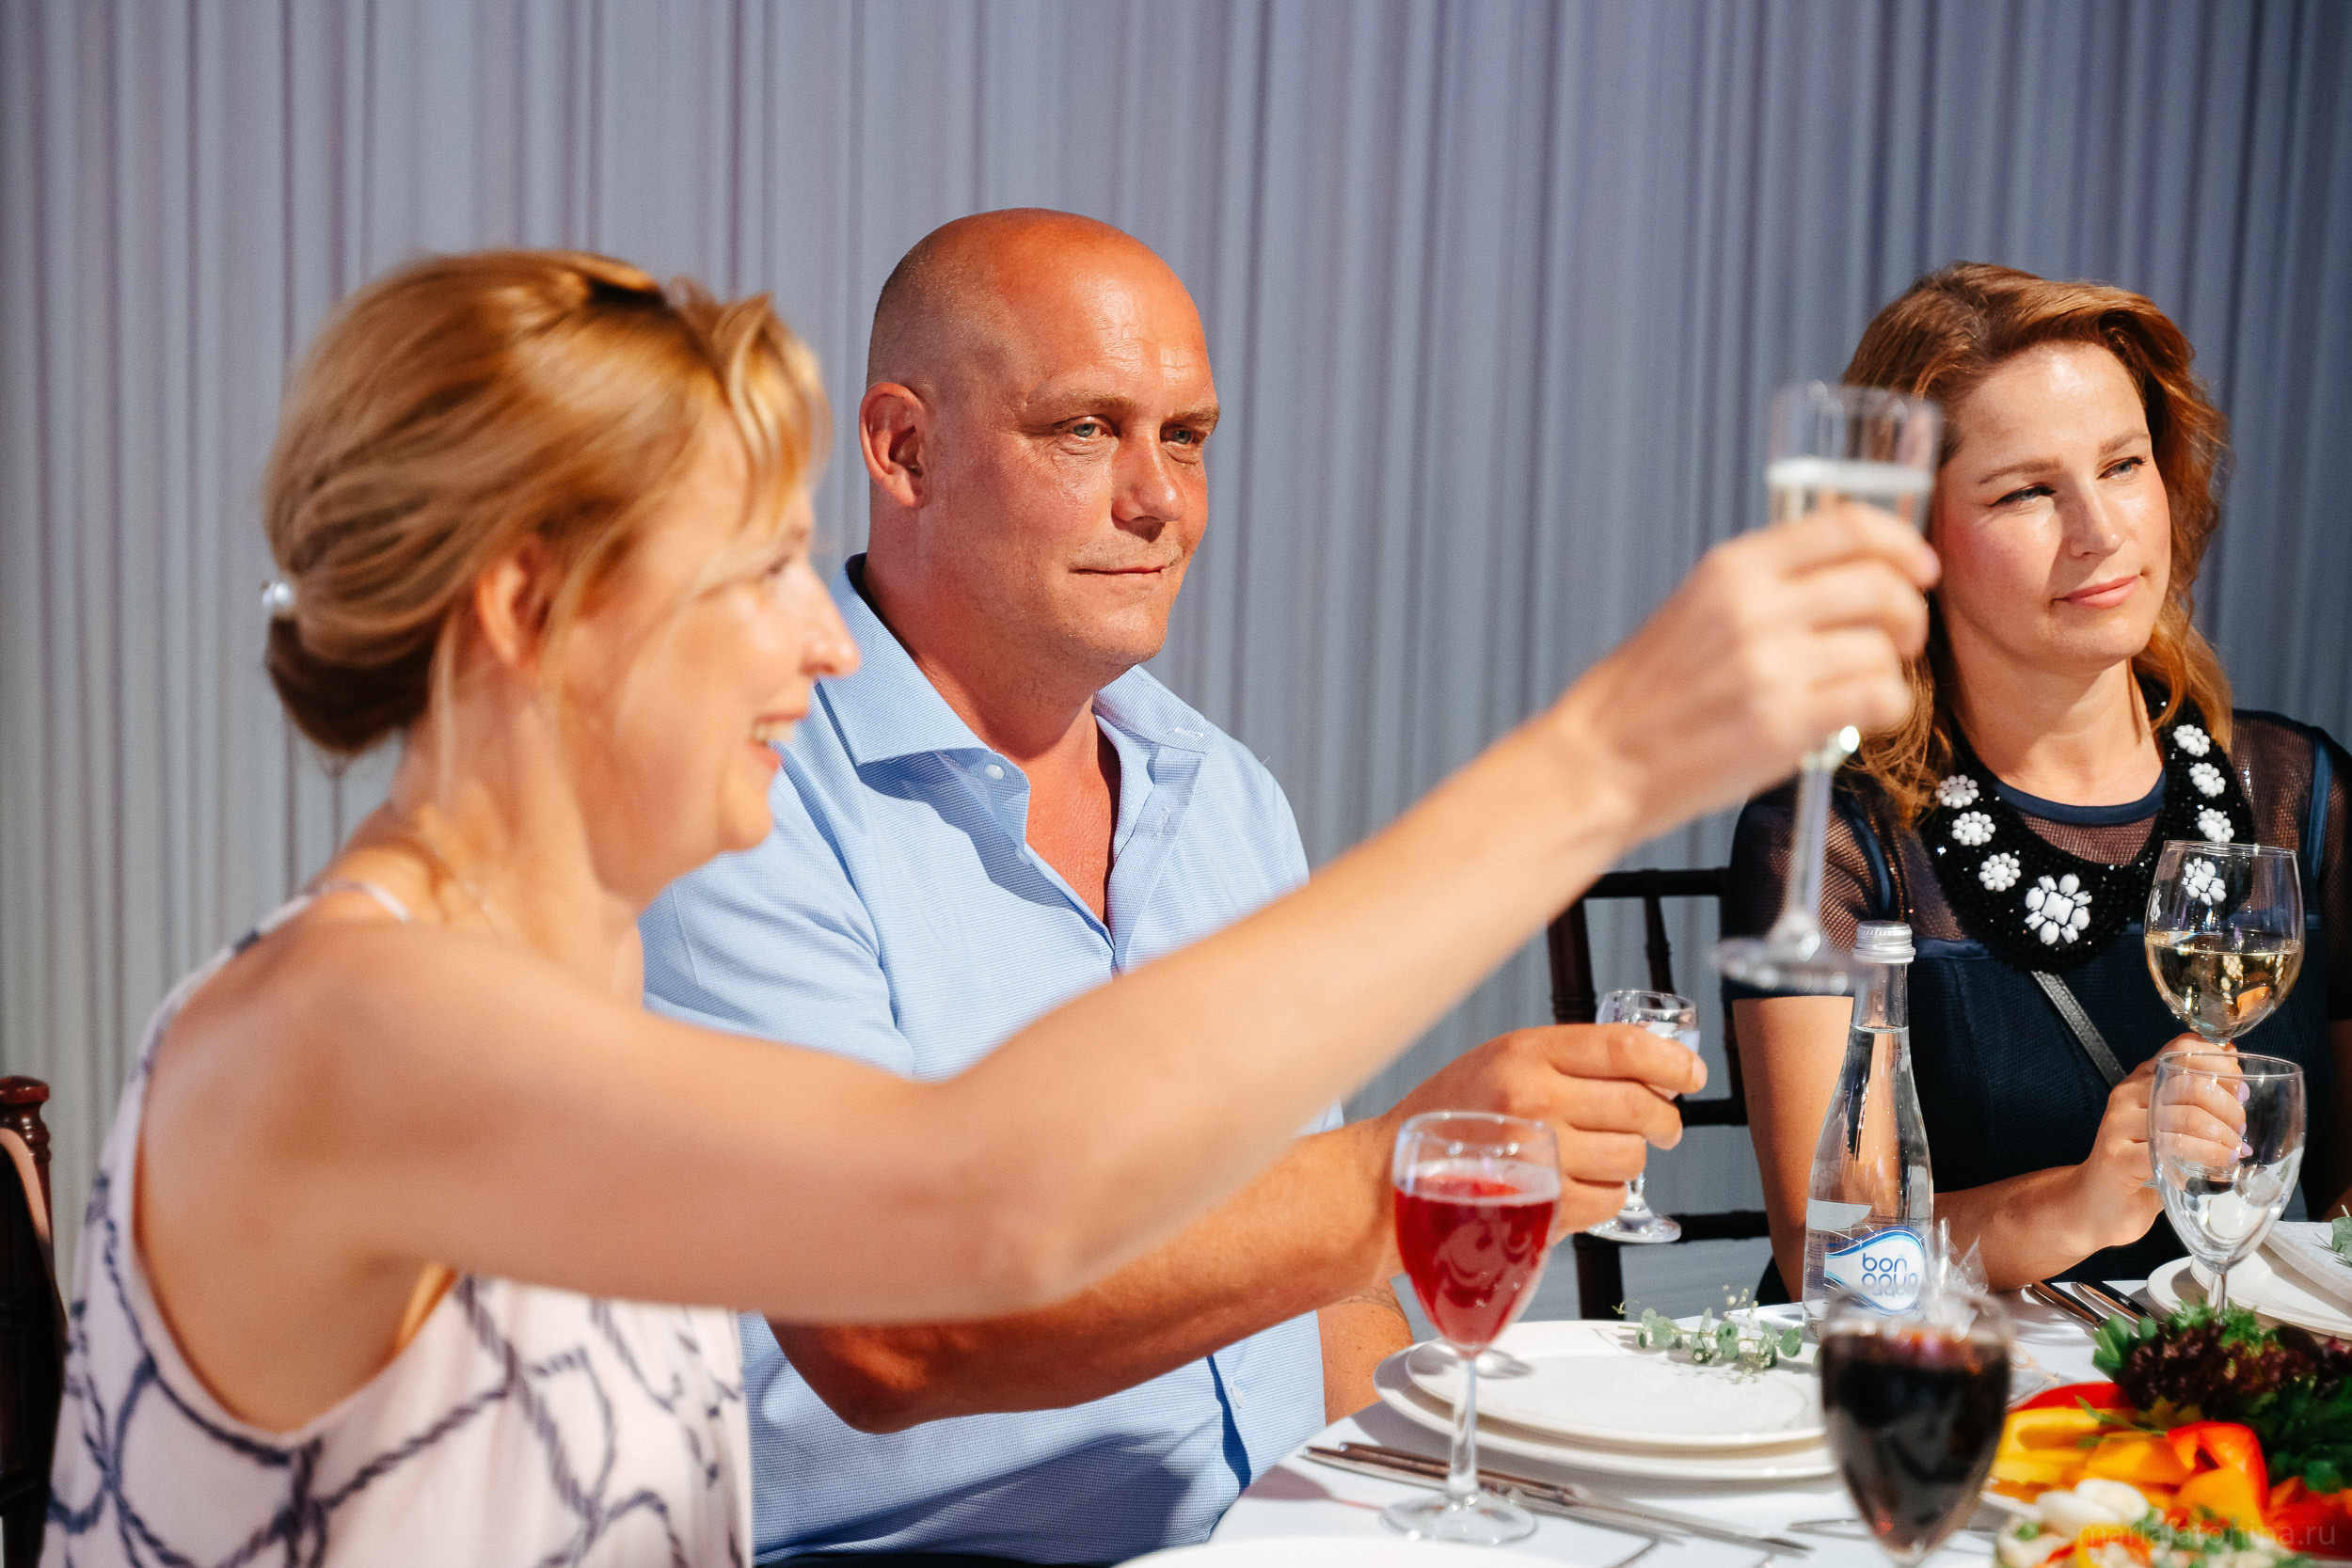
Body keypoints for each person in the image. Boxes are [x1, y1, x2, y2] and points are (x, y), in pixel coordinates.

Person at [42, 246, 1934, 1567]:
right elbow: (964, 1230)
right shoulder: (347, 1029)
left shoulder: (558, 966)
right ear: (530, 609)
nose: (820, 634)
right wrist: (1604, 756)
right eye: (755, 569)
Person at [641, 210, 1719, 1566]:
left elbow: (1319, 1290)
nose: (1158, 499)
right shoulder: (743, 796)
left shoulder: (1224, 793)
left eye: (1189, 436)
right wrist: (1405, 1174)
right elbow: (884, 1330)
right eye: (1085, 429)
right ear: (904, 447)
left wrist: (1419, 1525)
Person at [1728, 262, 2350, 1303]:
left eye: (2123, 465)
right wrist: (2077, 1203)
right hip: (1938, 1386)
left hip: (2232, 1390)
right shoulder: (1835, 838)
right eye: (2026, 491)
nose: (2101, 529)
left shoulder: (2304, 795)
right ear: (1909, 536)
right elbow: (1826, 1259)